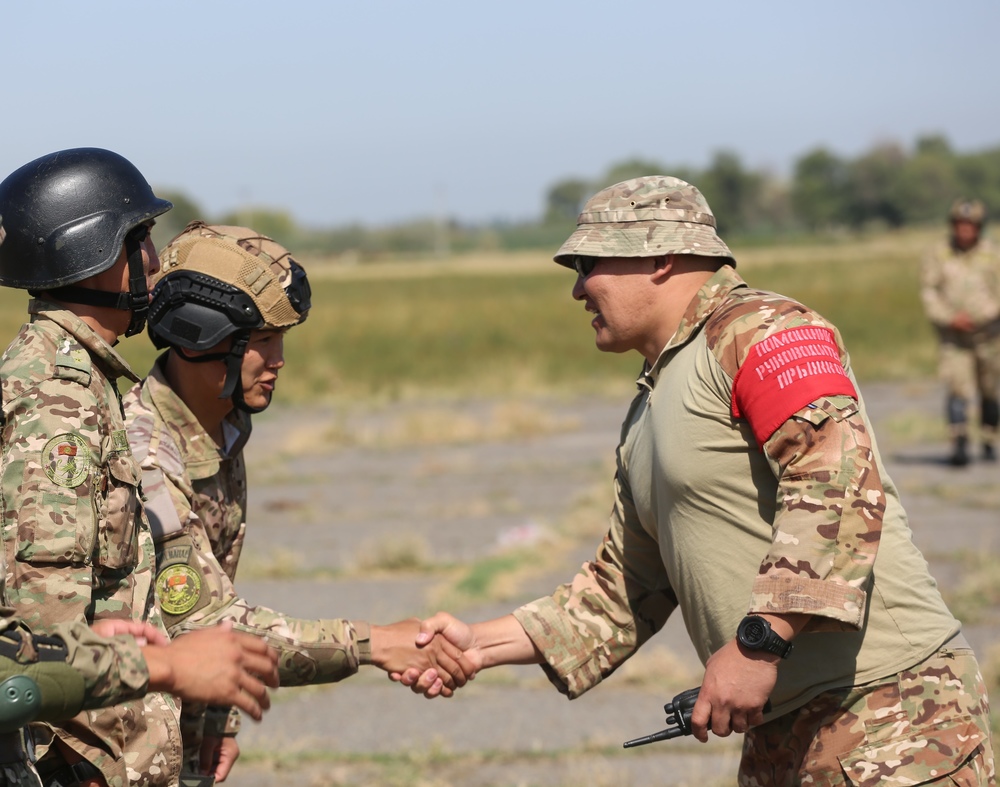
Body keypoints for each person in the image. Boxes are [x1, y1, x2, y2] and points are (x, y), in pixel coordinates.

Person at [401, 177, 995, 786]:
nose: (577, 289)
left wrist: (758, 645)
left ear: (660, 255)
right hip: (781, 732)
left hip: (892, 715)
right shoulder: (648, 407)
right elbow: (625, 587)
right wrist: (480, 645)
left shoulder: (763, 328)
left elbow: (834, 482)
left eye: (587, 265)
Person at [123, 221, 469, 782]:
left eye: (281, 338)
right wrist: (375, 643)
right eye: (262, 340)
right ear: (200, 336)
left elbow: (208, 599)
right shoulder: (146, 455)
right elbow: (204, 621)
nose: (279, 360)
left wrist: (218, 721)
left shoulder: (221, 427)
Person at [0, 149, 280, 787]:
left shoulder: (79, 379)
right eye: (140, 239)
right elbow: (44, 630)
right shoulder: (58, 400)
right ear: (91, 253)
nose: (155, 261)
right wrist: (87, 758)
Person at [920, 199, 1000, 466]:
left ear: (979, 227)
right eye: (960, 224)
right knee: (957, 389)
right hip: (954, 338)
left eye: (970, 225)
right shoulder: (938, 254)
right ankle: (960, 443)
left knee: (989, 389)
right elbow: (929, 291)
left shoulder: (993, 254)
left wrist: (982, 316)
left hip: (989, 336)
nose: (965, 230)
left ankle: (989, 437)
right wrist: (949, 317)